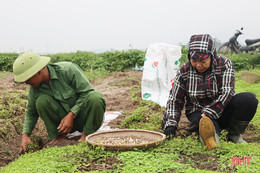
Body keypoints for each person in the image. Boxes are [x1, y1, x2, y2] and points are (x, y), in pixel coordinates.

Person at [162, 34, 258, 150]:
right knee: (207, 131)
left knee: (249, 99)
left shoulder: (224, 64)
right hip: (197, 111)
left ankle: (234, 134)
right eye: (194, 60)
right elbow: (175, 100)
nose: (198, 65)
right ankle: (211, 138)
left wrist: (209, 111)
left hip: (222, 108)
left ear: (212, 55)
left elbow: (227, 92)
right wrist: (170, 125)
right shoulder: (184, 71)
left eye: (203, 61)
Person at [13, 52, 106, 153]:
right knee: (41, 101)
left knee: (96, 97)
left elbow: (87, 93)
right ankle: (60, 136)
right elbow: (31, 112)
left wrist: (71, 115)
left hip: (85, 119)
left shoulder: (68, 70)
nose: (26, 83)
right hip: (63, 126)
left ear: (38, 71)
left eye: (28, 79)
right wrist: (25, 135)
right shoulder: (34, 88)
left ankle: (86, 135)